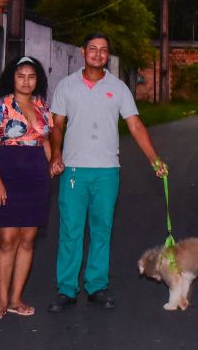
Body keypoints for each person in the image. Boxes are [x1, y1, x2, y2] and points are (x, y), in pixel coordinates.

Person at [47, 32, 167, 312]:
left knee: (102, 230)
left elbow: (135, 125)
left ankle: (96, 286)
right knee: (70, 231)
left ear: (107, 56)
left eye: (103, 50)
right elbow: (57, 125)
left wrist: (154, 159)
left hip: (107, 172)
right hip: (74, 170)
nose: (98, 54)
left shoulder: (119, 88)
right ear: (82, 52)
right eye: (93, 49)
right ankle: (66, 289)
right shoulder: (66, 86)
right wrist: (55, 153)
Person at [0, 55, 53, 321]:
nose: (26, 81)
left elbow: (45, 142)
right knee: (7, 240)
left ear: (38, 81)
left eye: (31, 76)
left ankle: (16, 299)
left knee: (27, 240)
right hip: (7, 176)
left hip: (36, 178)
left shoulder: (43, 107)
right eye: (21, 76)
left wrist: (53, 163)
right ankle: (1, 301)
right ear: (12, 78)